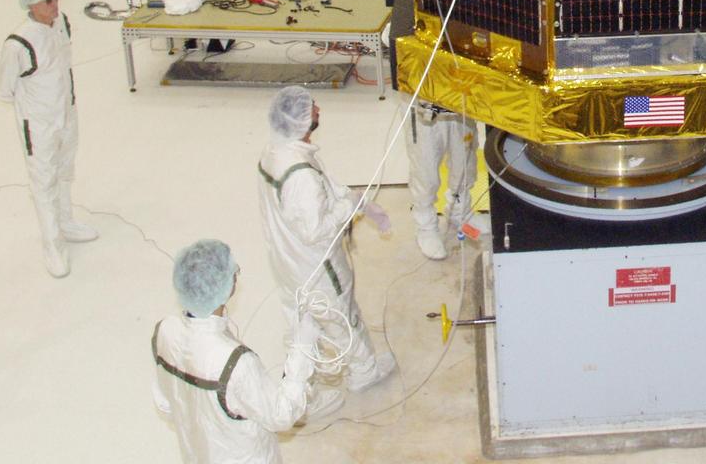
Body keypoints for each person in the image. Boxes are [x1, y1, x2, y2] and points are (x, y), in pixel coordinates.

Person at [257, 87, 395, 401]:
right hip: (317, 266)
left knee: (302, 320)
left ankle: (304, 376)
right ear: (303, 122)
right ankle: (364, 371)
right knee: (340, 318)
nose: (317, 107)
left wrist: (350, 197)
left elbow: (314, 197)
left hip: (287, 260)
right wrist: (349, 207)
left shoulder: (275, 153)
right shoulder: (300, 175)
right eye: (311, 107)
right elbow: (317, 230)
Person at [152, 238, 333, 463]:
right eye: (234, 272)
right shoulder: (236, 362)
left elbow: (166, 403)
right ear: (228, 287)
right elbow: (281, 415)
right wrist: (302, 349)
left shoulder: (165, 331)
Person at [0, 0, 97, 277]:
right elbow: (4, 90)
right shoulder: (19, 43)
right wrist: (37, 107)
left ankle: (66, 222)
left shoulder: (61, 22)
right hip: (39, 124)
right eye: (47, 2)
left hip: (67, 112)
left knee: (65, 169)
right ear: (30, 5)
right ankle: (52, 246)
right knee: (44, 181)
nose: (55, 7)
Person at [409, 103, 479, 260]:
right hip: (425, 103)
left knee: (464, 160)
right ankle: (425, 226)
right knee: (426, 168)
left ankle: (460, 212)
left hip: (461, 93)